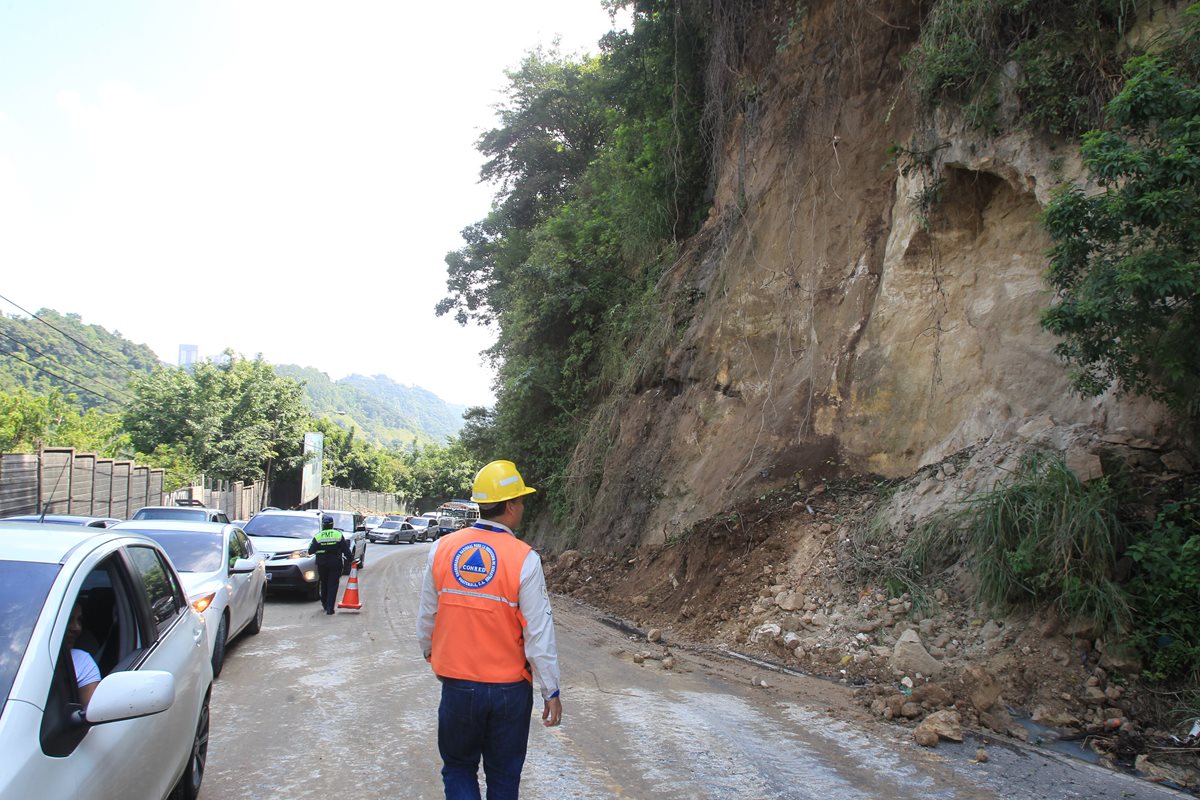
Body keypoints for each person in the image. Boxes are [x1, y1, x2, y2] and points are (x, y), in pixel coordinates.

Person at [416, 460, 562, 800]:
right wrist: (550, 689)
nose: (523, 507)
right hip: (509, 692)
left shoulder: (443, 548)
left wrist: (430, 650)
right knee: (504, 778)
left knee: (458, 768)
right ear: (510, 506)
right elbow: (539, 632)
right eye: (522, 501)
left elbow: (428, 613)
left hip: (458, 686)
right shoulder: (524, 558)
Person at [308, 513, 353, 614]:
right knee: (333, 585)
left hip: (322, 564)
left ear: (323, 525)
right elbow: (346, 550)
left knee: (324, 583)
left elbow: (310, 551)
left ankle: (324, 604)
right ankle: (330, 608)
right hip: (335, 563)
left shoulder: (318, 536)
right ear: (332, 525)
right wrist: (351, 560)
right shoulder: (338, 534)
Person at [65, 602, 100, 708]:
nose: (76, 628)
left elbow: (91, 716)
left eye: (79, 620)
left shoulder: (81, 661)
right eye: (68, 620)